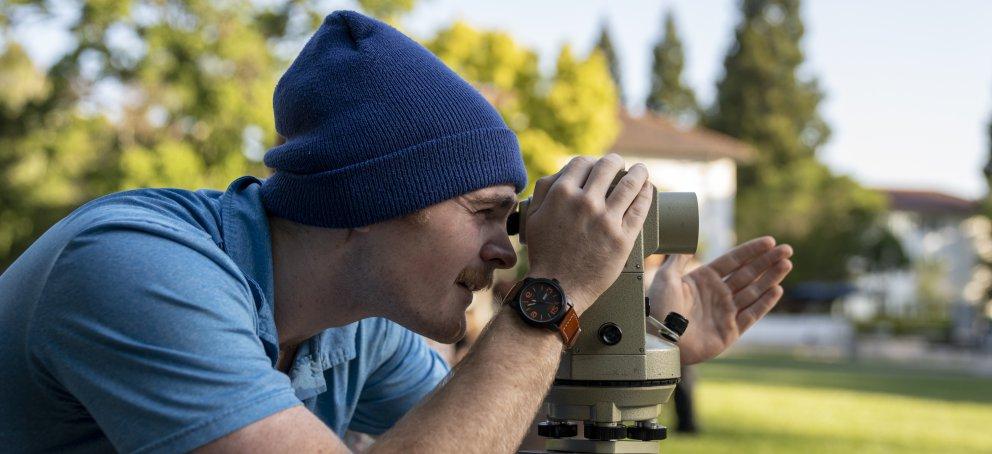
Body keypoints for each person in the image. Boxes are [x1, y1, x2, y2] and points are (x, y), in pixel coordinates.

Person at [0, 11, 793, 453]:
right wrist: (548, 301)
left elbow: (496, 440)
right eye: (486, 212)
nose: (507, 248)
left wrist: (642, 349)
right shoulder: (138, 271)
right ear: (365, 201)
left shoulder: (357, 327)